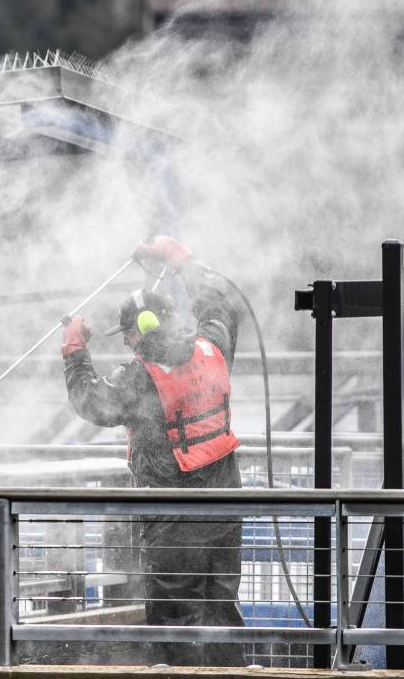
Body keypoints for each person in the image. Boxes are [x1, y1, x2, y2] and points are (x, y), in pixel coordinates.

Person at [61, 235, 245, 667]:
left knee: (174, 622)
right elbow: (219, 304)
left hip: (171, 520)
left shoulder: (138, 379)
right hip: (226, 512)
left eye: (126, 335)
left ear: (136, 333)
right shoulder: (212, 348)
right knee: (221, 612)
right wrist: (185, 262)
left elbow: (89, 400)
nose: (126, 343)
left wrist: (74, 349)